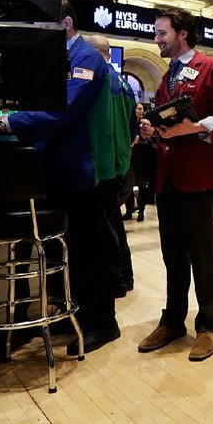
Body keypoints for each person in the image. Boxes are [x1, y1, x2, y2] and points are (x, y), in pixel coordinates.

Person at [0, 0, 122, 353]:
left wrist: (4, 122)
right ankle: (71, 315)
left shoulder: (86, 58)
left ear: (65, 23)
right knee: (64, 251)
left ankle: (102, 323)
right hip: (55, 171)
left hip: (85, 171)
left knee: (89, 251)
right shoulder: (53, 59)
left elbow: (61, 108)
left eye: (42, 26)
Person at [137, 8, 213, 362]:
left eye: (161, 33)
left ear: (182, 33)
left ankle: (208, 325)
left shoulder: (211, 68)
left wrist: (194, 128)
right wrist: (155, 130)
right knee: (172, 256)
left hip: (198, 179)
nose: (157, 39)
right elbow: (171, 122)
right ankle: (172, 321)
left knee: (201, 253)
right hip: (168, 177)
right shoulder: (168, 76)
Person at [88, 34, 137, 297]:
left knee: (103, 227)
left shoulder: (96, 79)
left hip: (102, 163)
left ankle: (115, 280)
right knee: (113, 220)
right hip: (121, 162)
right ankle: (125, 276)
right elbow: (133, 128)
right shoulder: (125, 83)